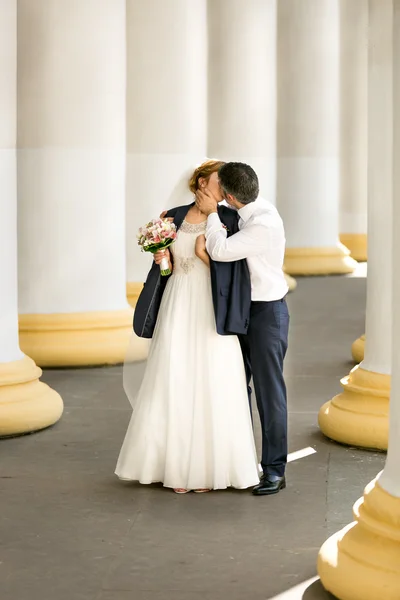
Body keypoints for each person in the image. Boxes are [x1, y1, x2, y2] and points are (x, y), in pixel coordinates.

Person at [115, 160, 259, 493]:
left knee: (212, 376)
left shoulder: (228, 220)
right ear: (199, 183)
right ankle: (172, 466)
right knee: (173, 374)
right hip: (177, 303)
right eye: (213, 182)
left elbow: (236, 273)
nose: (218, 189)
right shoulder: (174, 216)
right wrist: (162, 260)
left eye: (222, 186)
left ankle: (208, 469)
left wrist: (207, 258)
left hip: (211, 308)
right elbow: (166, 271)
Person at [195, 162, 290, 496]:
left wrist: (209, 216)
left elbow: (220, 251)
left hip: (267, 314)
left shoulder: (263, 223)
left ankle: (275, 470)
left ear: (232, 196)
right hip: (241, 310)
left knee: (269, 393)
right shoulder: (244, 209)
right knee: (235, 386)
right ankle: (242, 462)